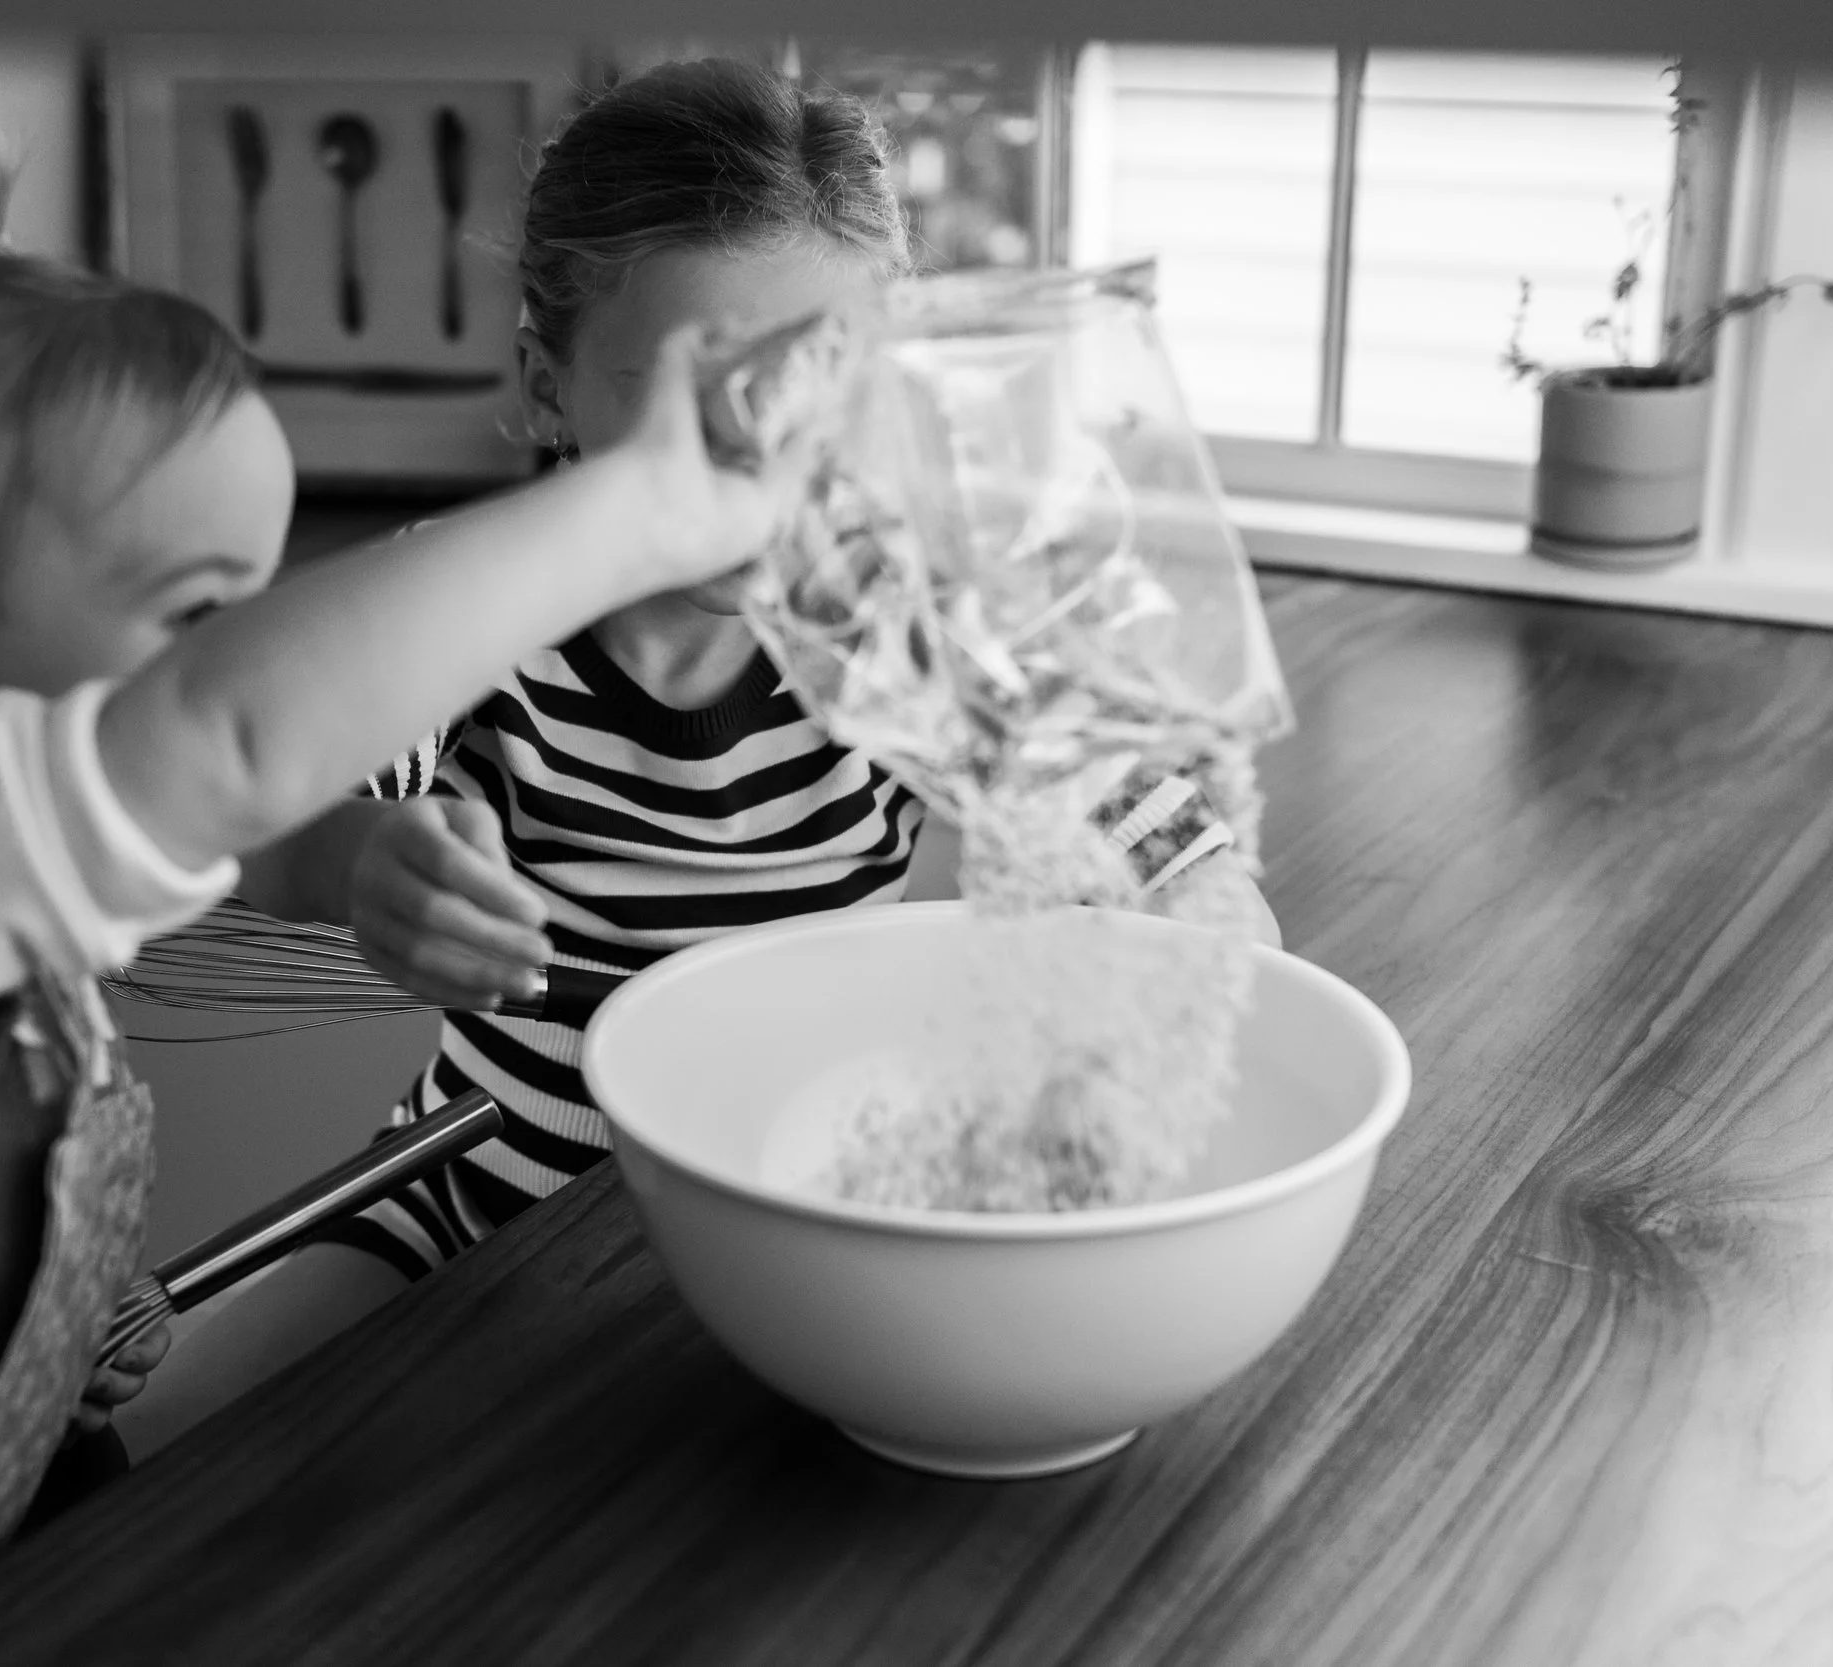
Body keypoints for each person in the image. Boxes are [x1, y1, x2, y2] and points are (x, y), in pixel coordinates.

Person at [0, 127, 800, 1661]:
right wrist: (640, 510)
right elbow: (220, 745)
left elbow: (227, 824)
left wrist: (30, 1328)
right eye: (202, 613)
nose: (241, 648)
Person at [208, 59, 1279, 1406]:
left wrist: (1182, 935)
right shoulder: (479, 600)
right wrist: (358, 860)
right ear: (548, 387)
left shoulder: (912, 611)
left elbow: (1179, 857)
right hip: (483, 1191)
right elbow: (249, 801)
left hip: (814, 1191)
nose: (762, 469)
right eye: (693, 402)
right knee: (189, 1439)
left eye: (818, 397)